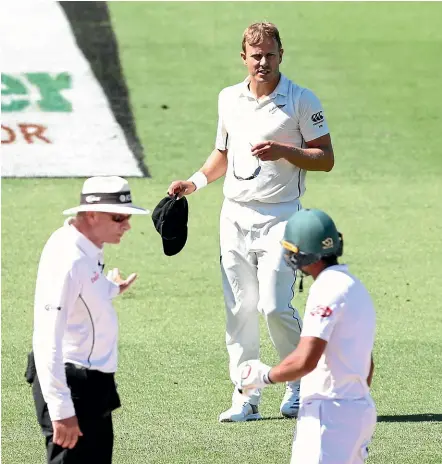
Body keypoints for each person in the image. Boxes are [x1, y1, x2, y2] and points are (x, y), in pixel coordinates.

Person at [168, 22, 334, 422]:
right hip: (234, 216)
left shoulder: (300, 99)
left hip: (282, 216)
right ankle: (246, 394)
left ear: (281, 55)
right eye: (255, 55)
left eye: (270, 54)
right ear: (244, 57)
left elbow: (325, 157)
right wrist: (193, 182)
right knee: (240, 308)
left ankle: (300, 383)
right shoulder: (228, 99)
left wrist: (283, 150)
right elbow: (222, 153)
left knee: (275, 306)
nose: (263, 62)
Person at [237, 208, 377, 463]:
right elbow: (368, 363)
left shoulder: (326, 290)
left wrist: (263, 376)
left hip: (328, 416)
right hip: (359, 411)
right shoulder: (355, 287)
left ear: (303, 255)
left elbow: (305, 360)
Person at [29, 176, 149, 464]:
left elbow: (86, 289)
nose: (127, 225)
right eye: (119, 217)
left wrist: (111, 288)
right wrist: (61, 410)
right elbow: (47, 339)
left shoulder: (88, 244)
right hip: (71, 383)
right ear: (92, 215)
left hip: (93, 383)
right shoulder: (68, 259)